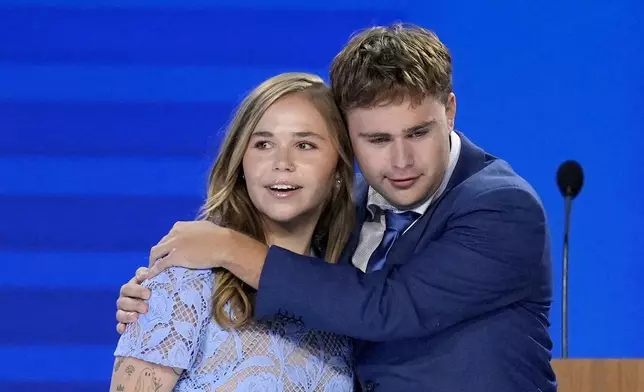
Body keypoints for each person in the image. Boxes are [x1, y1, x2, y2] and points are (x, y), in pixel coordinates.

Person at [116, 24, 557, 391]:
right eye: (377, 140)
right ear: (348, 141)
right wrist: (158, 300)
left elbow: (388, 307)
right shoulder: (346, 216)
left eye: (419, 133)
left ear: (451, 110)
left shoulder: (501, 206)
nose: (401, 161)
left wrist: (229, 246)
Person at [109, 72, 357, 391]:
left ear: (338, 167)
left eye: (305, 144)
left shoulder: (348, 300)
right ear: (241, 163)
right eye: (263, 144)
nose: (282, 162)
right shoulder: (185, 280)